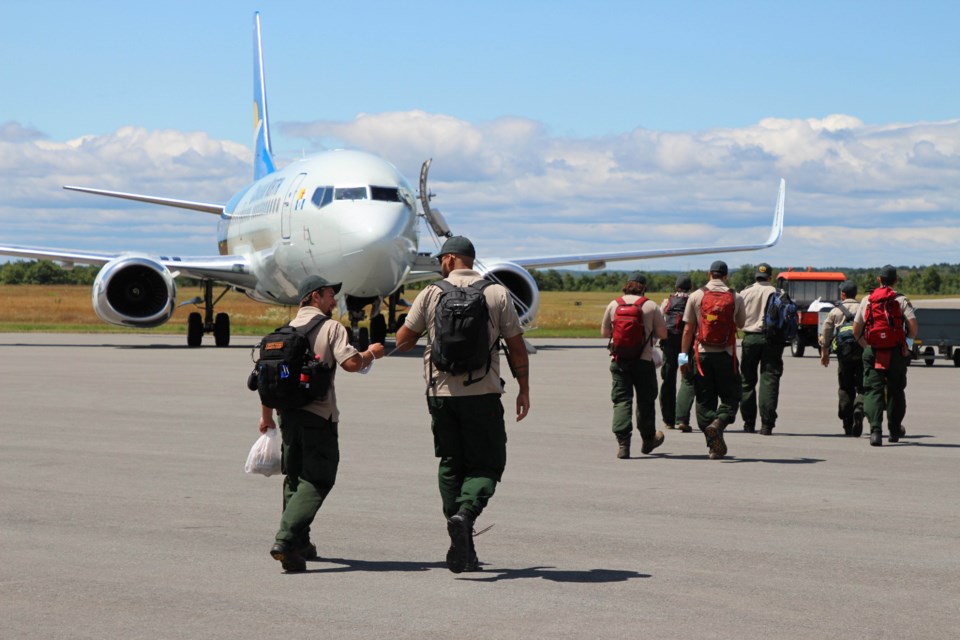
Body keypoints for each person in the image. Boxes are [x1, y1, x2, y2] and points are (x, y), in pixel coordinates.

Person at [395, 236, 530, 574]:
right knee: (488, 463)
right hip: (483, 393)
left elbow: (402, 340)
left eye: (443, 258)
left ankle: (460, 535)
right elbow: (516, 347)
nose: (440, 262)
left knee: (451, 462)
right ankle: (465, 515)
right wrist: (523, 389)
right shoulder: (496, 293)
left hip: (440, 394)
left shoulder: (431, 293)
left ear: (453, 259)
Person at [260, 275, 385, 573]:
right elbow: (352, 363)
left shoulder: (283, 331)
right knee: (317, 479)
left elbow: (267, 380)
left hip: (287, 415)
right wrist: (372, 353)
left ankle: (301, 543)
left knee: (294, 478)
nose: (334, 300)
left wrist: (266, 418)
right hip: (319, 416)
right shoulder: (331, 327)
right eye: (330, 295)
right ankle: (286, 540)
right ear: (315, 296)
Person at [679, 260, 746, 459]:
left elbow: (688, 329)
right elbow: (741, 324)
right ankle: (718, 425)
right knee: (732, 396)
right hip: (726, 355)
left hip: (702, 355)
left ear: (710, 274)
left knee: (704, 400)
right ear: (726, 275)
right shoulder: (736, 296)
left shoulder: (696, 295)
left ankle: (713, 443)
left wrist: (683, 359)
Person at [600, 272, 668, 459]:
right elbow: (663, 334)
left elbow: (605, 333)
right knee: (645, 401)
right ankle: (648, 439)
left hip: (619, 360)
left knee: (622, 400)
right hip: (643, 361)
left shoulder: (614, 304)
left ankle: (623, 443)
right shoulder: (651, 306)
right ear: (643, 288)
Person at [852, 265, 918, 447]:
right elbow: (913, 326)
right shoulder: (902, 300)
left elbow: (856, 330)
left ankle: (875, 432)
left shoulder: (868, 300)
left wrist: (866, 346)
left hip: (873, 351)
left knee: (873, 391)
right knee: (896, 391)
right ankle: (895, 430)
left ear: (879, 280)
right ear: (895, 280)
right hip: (896, 352)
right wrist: (907, 346)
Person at [738, 263, 784, 435]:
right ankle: (767, 424)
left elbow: (738, 319)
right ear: (770, 277)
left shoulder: (745, 292)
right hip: (772, 340)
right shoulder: (778, 293)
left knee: (747, 381)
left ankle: (749, 423)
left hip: (750, 338)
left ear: (756, 276)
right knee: (769, 380)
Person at [820, 281, 864, 436]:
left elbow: (826, 332)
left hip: (844, 354)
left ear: (843, 294)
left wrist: (824, 352)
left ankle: (847, 421)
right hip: (861, 351)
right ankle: (859, 407)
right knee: (863, 385)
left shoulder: (835, 311)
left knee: (845, 386)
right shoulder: (863, 307)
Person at [659, 275, 695, 433]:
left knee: (668, 379)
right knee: (686, 378)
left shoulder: (668, 301)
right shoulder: (693, 300)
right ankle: (682, 418)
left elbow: (660, 320)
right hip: (685, 348)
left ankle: (668, 419)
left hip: (669, 346)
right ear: (690, 287)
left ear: (676, 287)